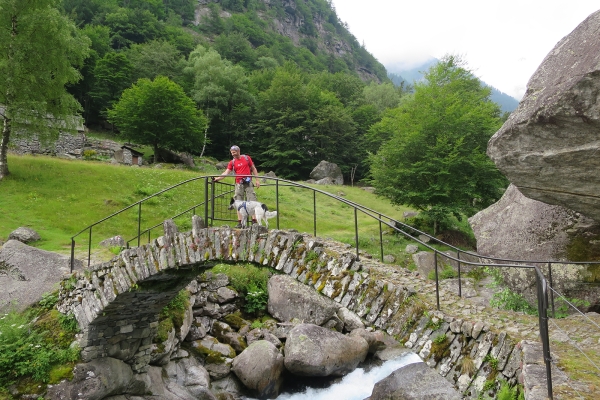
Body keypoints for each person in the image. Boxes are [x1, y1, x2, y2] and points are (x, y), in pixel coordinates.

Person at [213, 145, 260, 227]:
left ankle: (254, 221)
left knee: (252, 200)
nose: (233, 154)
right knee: (238, 201)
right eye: (231, 153)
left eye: (234, 152)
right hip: (238, 183)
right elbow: (226, 172)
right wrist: (218, 178)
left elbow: (253, 168)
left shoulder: (246, 158)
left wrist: (257, 180)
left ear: (238, 151)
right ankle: (240, 222)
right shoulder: (232, 162)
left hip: (248, 182)